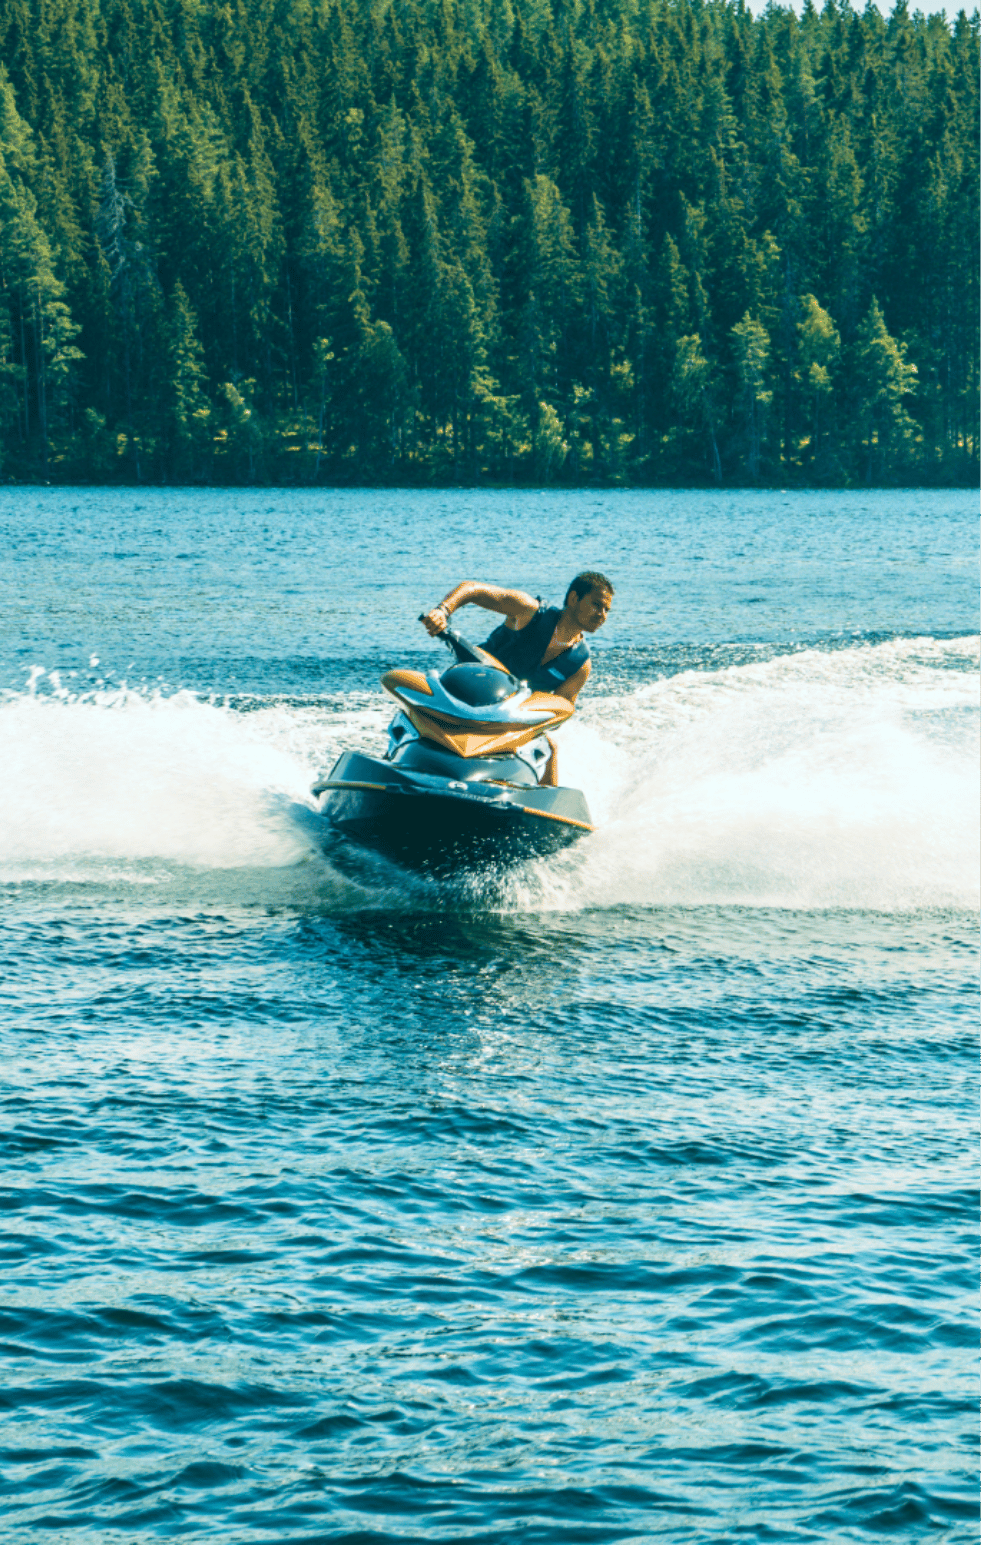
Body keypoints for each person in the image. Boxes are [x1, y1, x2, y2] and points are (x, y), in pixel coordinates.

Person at [422, 572, 614, 786]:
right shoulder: (529, 611)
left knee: (549, 749)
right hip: (468, 692)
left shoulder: (580, 664)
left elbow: (559, 712)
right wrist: (443, 611)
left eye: (607, 610)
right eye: (597, 605)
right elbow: (473, 589)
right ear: (574, 598)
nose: (602, 614)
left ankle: (546, 810)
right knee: (422, 712)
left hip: (510, 718)